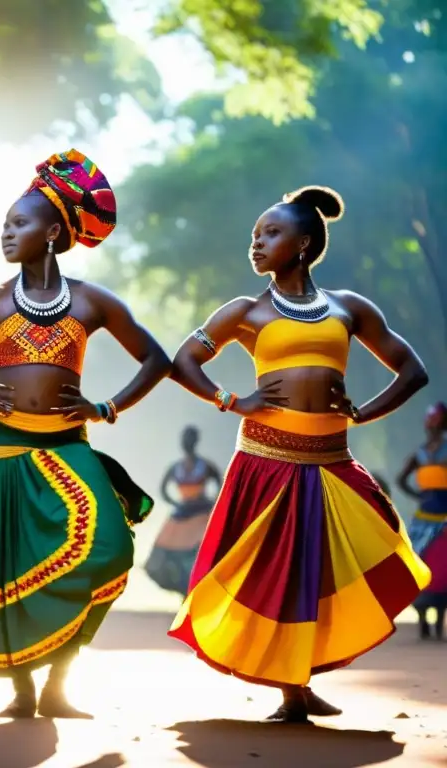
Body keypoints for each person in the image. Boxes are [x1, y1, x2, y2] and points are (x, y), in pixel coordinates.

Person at [0, 149, 172, 719]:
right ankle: (26, 693)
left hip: (67, 447)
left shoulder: (92, 301)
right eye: (4, 224)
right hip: (0, 448)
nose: (7, 233)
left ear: (53, 231)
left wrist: (106, 407)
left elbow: (156, 358)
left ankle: (60, 682)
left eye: (19, 223)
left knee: (108, 546)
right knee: (8, 568)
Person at [168, 185, 431, 723]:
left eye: (271, 233)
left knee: (330, 567)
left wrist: (362, 413)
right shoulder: (245, 311)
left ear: (305, 243)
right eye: (254, 235)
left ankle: (301, 682)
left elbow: (412, 370)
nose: (257, 244)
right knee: (279, 575)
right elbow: (184, 360)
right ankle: (293, 691)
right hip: (266, 460)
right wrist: (233, 401)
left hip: (331, 460)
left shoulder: (350, 308)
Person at [145, 426, 222, 596]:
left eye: (189, 439)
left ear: (195, 442)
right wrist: (177, 503)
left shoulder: (205, 466)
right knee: (156, 562)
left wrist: (211, 503)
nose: (186, 443)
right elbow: (163, 490)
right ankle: (184, 590)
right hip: (181, 516)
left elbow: (222, 487)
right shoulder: (176, 467)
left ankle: (195, 591)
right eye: (184, 439)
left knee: (200, 557)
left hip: (201, 516)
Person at [397, 402, 447, 640]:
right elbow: (401, 479)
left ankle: (438, 622)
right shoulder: (420, 453)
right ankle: (423, 621)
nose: (433, 423)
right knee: (417, 562)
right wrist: (419, 495)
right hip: (423, 520)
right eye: (431, 418)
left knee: (442, 568)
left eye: (437, 418)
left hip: (444, 520)